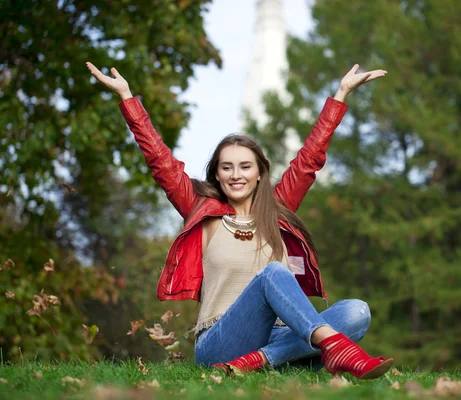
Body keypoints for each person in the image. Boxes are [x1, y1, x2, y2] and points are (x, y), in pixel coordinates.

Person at [86, 61, 392, 379]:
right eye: (227, 167)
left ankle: (262, 360)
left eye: (245, 166)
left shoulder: (276, 210)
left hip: (280, 333)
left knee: (357, 311)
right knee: (272, 274)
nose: (236, 175)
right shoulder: (200, 209)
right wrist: (126, 97)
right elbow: (160, 162)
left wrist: (341, 94)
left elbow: (309, 159)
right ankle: (329, 351)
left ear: (260, 173)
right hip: (220, 340)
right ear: (216, 174)